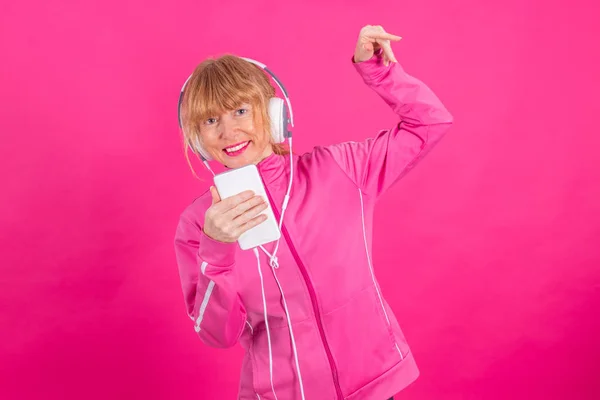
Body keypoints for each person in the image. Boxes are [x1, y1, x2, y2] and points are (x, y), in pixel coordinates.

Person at [174, 24, 453, 400]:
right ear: (198, 139)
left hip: (373, 384)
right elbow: (216, 334)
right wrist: (217, 250)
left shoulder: (340, 169)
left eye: (241, 111)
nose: (229, 131)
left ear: (274, 115)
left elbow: (430, 124)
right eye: (211, 121)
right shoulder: (201, 224)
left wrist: (379, 71)